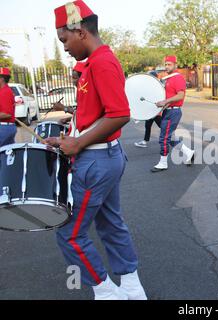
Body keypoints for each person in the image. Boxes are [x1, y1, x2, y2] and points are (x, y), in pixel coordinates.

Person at [47, 0, 147, 300]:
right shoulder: (95, 62)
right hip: (103, 156)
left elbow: (119, 113)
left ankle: (107, 293)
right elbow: (96, 114)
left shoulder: (102, 62)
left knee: (70, 234)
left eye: (64, 40)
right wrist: (69, 137)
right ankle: (131, 287)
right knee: (110, 224)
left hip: (96, 162)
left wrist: (77, 143)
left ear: (79, 31)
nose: (65, 48)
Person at [151, 55, 195, 173]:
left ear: (175, 65)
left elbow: (180, 95)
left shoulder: (178, 78)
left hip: (173, 111)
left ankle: (163, 163)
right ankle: (188, 152)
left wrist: (165, 101)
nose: (167, 66)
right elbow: (170, 96)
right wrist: (162, 104)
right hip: (168, 110)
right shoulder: (168, 78)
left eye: (169, 64)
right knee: (167, 137)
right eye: (166, 64)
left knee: (164, 137)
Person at [134, 69, 162, 148]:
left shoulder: (158, 87)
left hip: (156, 112)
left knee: (162, 126)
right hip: (150, 111)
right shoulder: (150, 87)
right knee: (148, 126)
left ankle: (172, 140)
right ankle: (145, 141)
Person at [0, 67, 16, 148]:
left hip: (4, 128)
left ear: (2, 79)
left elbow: (7, 114)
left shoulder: (4, 92)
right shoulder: (4, 90)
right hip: (6, 127)